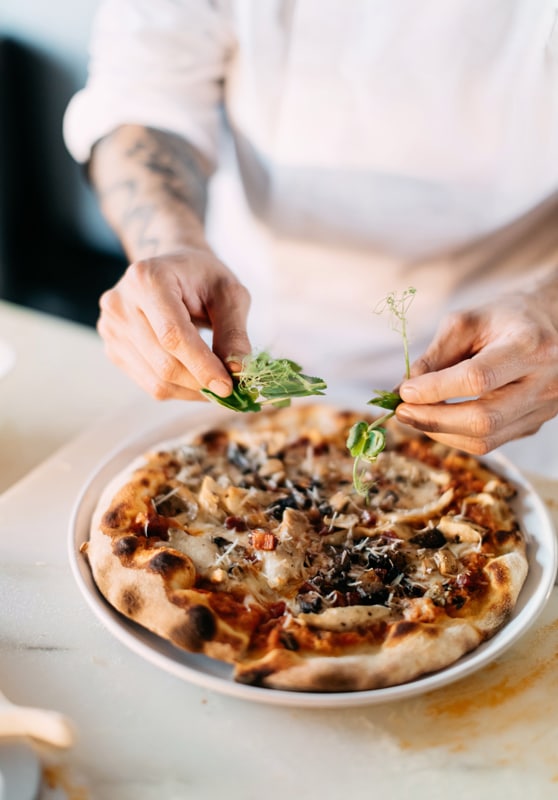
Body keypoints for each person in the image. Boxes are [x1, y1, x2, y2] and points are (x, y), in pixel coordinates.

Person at [64, 0, 558, 457]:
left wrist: (551, 310)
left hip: (521, 371)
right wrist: (169, 245)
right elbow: (142, 95)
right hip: (247, 343)